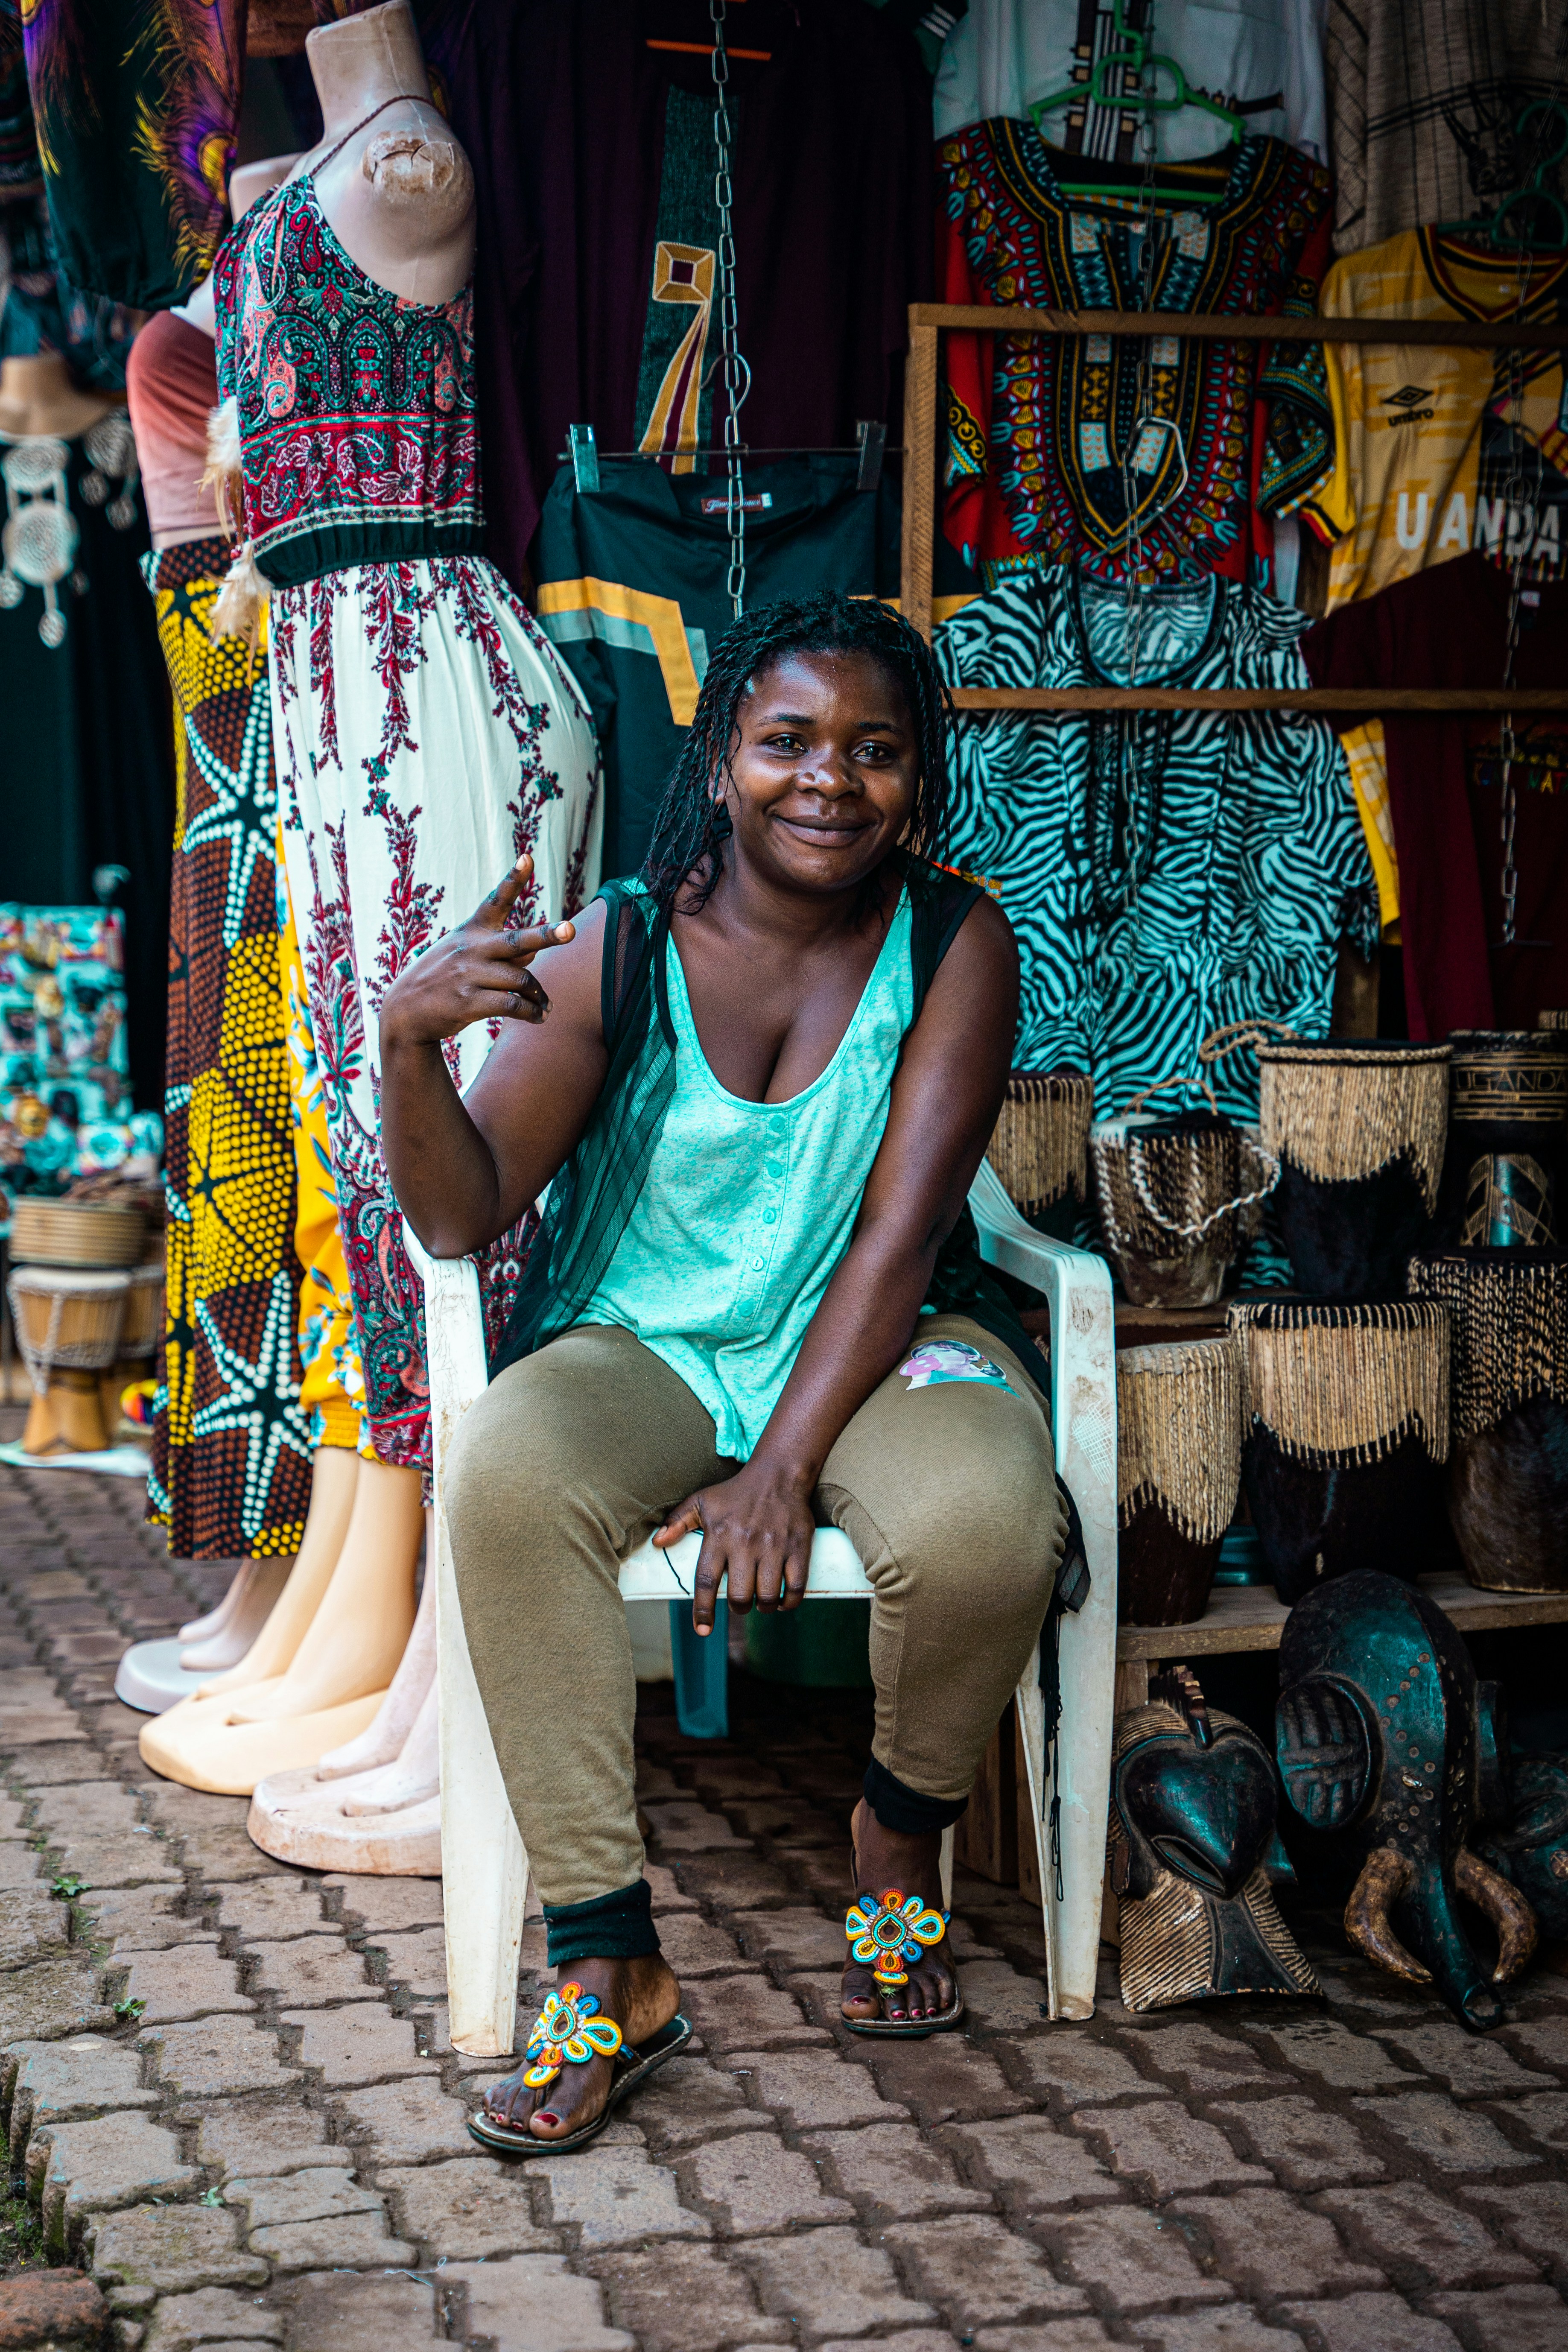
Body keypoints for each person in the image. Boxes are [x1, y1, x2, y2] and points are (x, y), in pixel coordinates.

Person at [380, 593, 1067, 2155]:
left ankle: (896, 1843)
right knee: (507, 1472)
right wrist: (407, 1048)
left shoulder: (954, 941)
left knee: (981, 1526)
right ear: (722, 756)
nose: (829, 780)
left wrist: (785, 1466)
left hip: (884, 1340)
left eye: (874, 751)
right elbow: (462, 1210)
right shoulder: (619, 939)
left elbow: (897, 1241)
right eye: (788, 742)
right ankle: (604, 1955)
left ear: (917, 776)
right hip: (650, 1338)